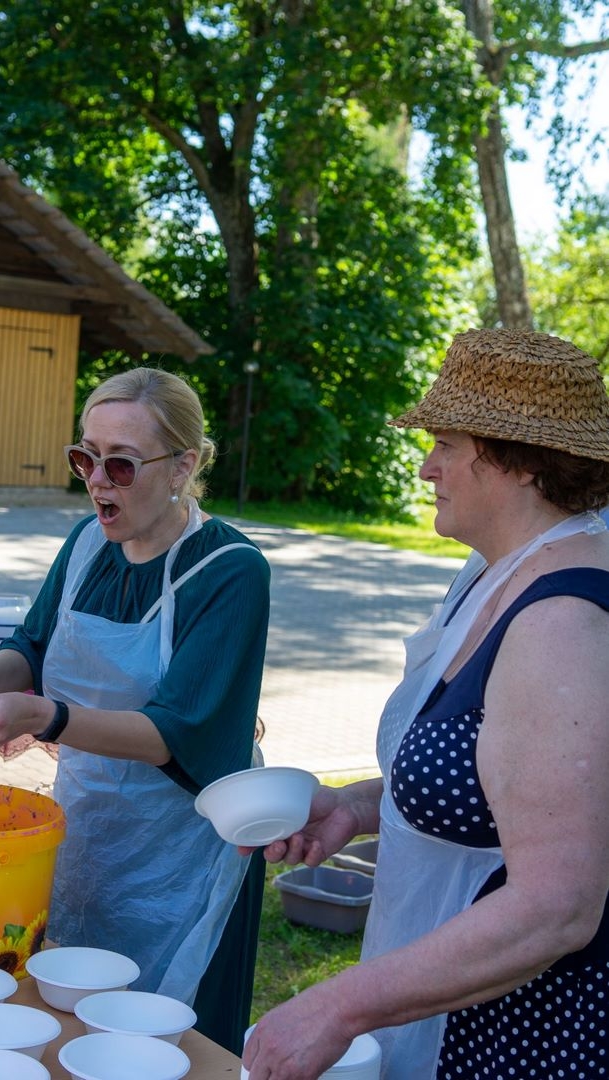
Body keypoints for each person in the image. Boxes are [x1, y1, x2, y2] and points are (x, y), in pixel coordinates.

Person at [242, 328, 609, 1080]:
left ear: (518, 459)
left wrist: (336, 1004)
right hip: (453, 1008)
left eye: (445, 441)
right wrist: (357, 804)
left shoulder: (561, 620)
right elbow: (494, 775)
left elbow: (557, 905)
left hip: (518, 1037)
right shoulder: (490, 573)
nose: (424, 465)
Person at [0, 367, 270, 1054]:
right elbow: (34, 643)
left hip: (186, 852)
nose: (97, 480)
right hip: (92, 827)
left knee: (172, 1046)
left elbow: (174, 732)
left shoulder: (229, 571)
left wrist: (40, 716)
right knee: (79, 1028)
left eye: (120, 464)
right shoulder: (87, 545)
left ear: (182, 467)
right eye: (84, 457)